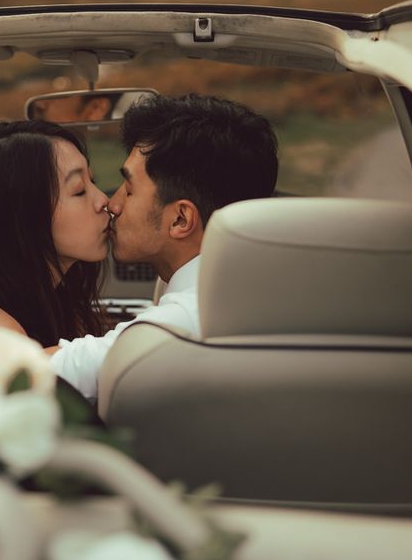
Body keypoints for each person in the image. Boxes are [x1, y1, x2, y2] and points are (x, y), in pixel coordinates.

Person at [48, 94, 279, 399]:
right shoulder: (256, 295)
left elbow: (12, 376)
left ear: (181, 219)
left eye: (129, 190)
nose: (111, 204)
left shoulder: (179, 325)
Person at [0, 120, 111, 347]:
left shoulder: (57, 299)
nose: (103, 200)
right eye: (79, 190)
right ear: (24, 212)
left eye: (93, 181)